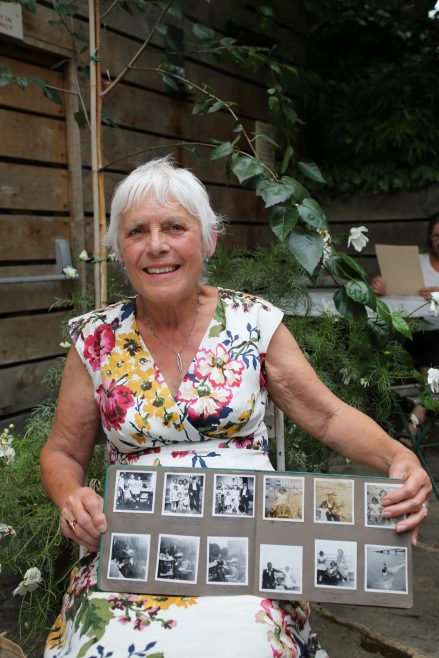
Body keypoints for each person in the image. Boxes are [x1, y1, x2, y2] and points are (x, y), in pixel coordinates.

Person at [40, 157, 431, 658]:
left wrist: (400, 459)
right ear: (120, 250)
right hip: (132, 552)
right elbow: (62, 453)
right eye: (138, 231)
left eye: (175, 227)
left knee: (242, 641)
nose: (156, 245)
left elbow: (328, 415)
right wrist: (71, 496)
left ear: (207, 241)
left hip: (250, 549)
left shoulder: (253, 322)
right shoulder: (96, 339)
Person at [372, 215, 439, 435]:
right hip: (418, 334)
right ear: (430, 238)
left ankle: (415, 420)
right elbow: (396, 287)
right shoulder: (417, 263)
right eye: (437, 235)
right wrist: (381, 285)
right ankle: (418, 416)